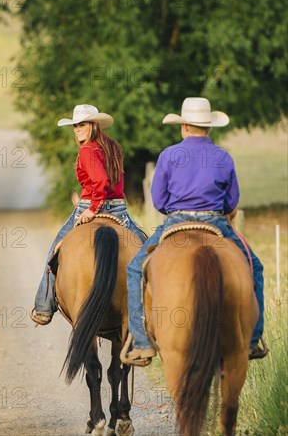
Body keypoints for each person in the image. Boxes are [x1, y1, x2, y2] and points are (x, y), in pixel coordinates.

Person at [123, 97, 267, 366]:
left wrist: (176, 208)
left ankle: (141, 341)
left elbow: (159, 201)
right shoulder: (223, 156)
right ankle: (252, 338)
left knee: (134, 269)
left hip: (176, 221)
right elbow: (231, 201)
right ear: (208, 127)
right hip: (216, 222)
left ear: (184, 127)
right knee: (254, 267)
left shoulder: (168, 155)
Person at [30, 104, 146, 325]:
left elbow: (101, 181)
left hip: (90, 206)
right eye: (75, 125)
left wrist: (93, 208)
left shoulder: (87, 150)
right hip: (119, 209)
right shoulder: (114, 147)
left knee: (54, 252)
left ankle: (44, 306)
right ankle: (147, 307)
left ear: (94, 125)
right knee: (143, 249)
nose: (77, 129)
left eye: (81, 124)